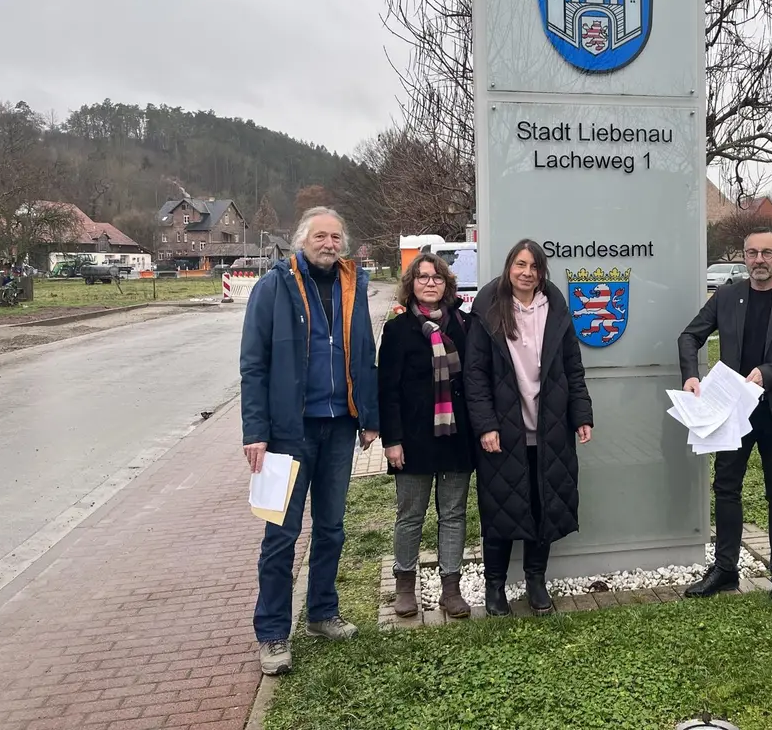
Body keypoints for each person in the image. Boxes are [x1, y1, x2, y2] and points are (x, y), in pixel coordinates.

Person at [238, 206, 380, 676]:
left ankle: (321, 613)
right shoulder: (273, 287)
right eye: (321, 236)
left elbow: (364, 352)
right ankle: (273, 633)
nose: (329, 243)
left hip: (339, 427)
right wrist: (255, 431)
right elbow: (253, 364)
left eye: (336, 236)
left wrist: (369, 419)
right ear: (302, 240)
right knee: (281, 535)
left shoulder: (352, 286)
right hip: (287, 433)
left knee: (332, 528)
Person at [677, 227, 772, 602]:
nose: (759, 260)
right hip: (732, 412)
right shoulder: (727, 296)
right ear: (743, 257)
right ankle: (725, 570)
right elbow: (689, 336)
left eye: (767, 253)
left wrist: (768, 374)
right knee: (726, 489)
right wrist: (691, 375)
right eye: (752, 253)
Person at [465, 239, 593, 617]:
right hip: (504, 430)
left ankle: (536, 581)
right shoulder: (488, 308)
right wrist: (486, 425)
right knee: (500, 507)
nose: (526, 272)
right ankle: (495, 587)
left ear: (542, 272)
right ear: (509, 267)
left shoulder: (555, 308)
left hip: (550, 427)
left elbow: (573, 367)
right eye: (520, 265)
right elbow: (475, 376)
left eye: (534, 266)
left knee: (545, 504)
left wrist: (581, 413)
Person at [377, 253, 475, 620]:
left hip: (456, 437)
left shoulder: (464, 325)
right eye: (422, 277)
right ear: (411, 285)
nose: (430, 283)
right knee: (410, 515)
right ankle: (405, 584)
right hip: (413, 438)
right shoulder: (398, 330)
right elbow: (387, 390)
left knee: (453, 514)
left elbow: (475, 381)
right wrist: (392, 440)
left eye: (437, 277)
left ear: (447, 283)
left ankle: (451, 588)